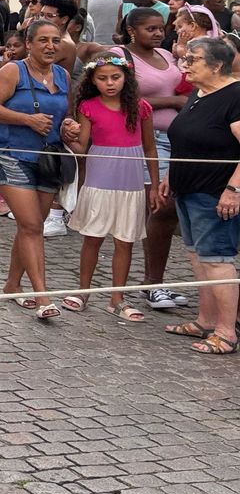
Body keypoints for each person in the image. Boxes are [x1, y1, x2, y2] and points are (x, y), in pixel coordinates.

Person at [87, 7, 187, 310]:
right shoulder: (121, 56)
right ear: (132, 30)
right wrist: (173, 101)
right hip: (140, 142)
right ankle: (151, 283)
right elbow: (119, 96)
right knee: (158, 208)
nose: (159, 33)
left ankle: (154, 279)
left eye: (161, 28)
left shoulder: (168, 56)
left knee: (166, 210)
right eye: (151, 29)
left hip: (176, 139)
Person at [0, 19, 70, 320]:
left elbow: (63, 114)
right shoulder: (12, 71)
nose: (50, 46)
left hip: (48, 158)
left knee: (30, 225)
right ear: (29, 44)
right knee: (33, 225)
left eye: (55, 40)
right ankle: (42, 295)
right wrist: (27, 120)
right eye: (43, 40)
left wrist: (69, 127)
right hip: (11, 154)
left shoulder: (63, 75)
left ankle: (12, 285)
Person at [58, 55, 157, 321]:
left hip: (132, 184)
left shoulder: (141, 107)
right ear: (93, 80)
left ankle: (118, 298)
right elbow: (82, 147)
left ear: (126, 77)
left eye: (115, 77)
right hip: (99, 182)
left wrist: (156, 185)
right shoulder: (89, 107)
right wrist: (66, 135)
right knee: (92, 239)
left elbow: (150, 148)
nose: (110, 83)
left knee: (125, 241)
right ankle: (83, 291)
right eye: (102, 78)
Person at [160, 37, 240, 355]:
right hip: (187, 189)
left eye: (193, 60)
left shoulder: (235, 96)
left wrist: (233, 190)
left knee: (217, 260)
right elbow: (186, 138)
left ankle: (226, 331)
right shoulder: (200, 91)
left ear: (216, 65)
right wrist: (169, 174)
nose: (186, 65)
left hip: (215, 194)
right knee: (198, 258)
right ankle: (206, 320)